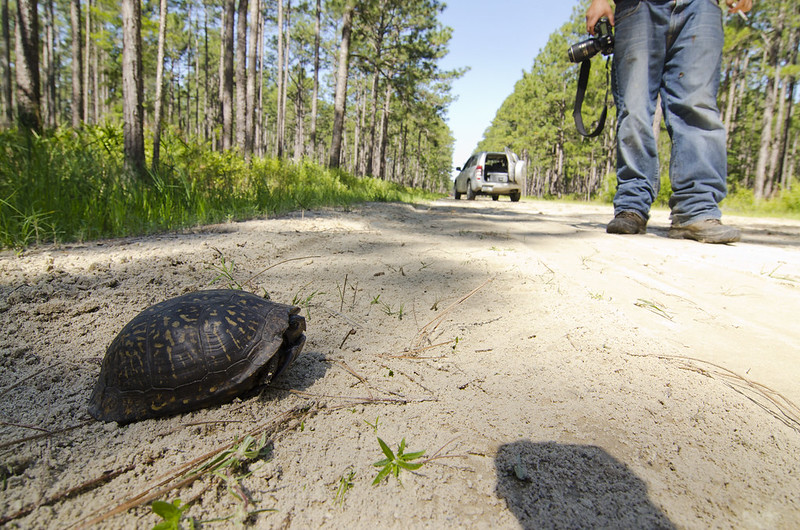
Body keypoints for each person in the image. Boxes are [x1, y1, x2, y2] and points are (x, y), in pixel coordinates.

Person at [586, 0, 752, 243]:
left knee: (698, 106)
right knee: (634, 108)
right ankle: (632, 205)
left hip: (701, 6)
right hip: (638, 6)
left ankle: (696, 209)